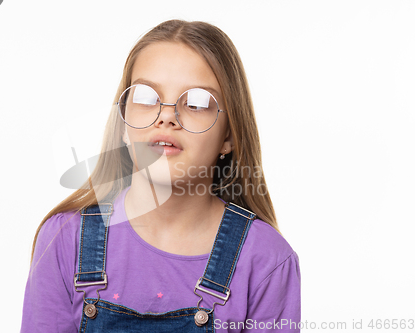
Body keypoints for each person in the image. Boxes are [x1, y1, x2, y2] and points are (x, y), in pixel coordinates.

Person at [20, 19, 301, 332]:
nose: (167, 116)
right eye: (145, 97)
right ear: (123, 120)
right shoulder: (65, 239)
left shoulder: (266, 259)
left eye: (196, 103)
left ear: (229, 136)